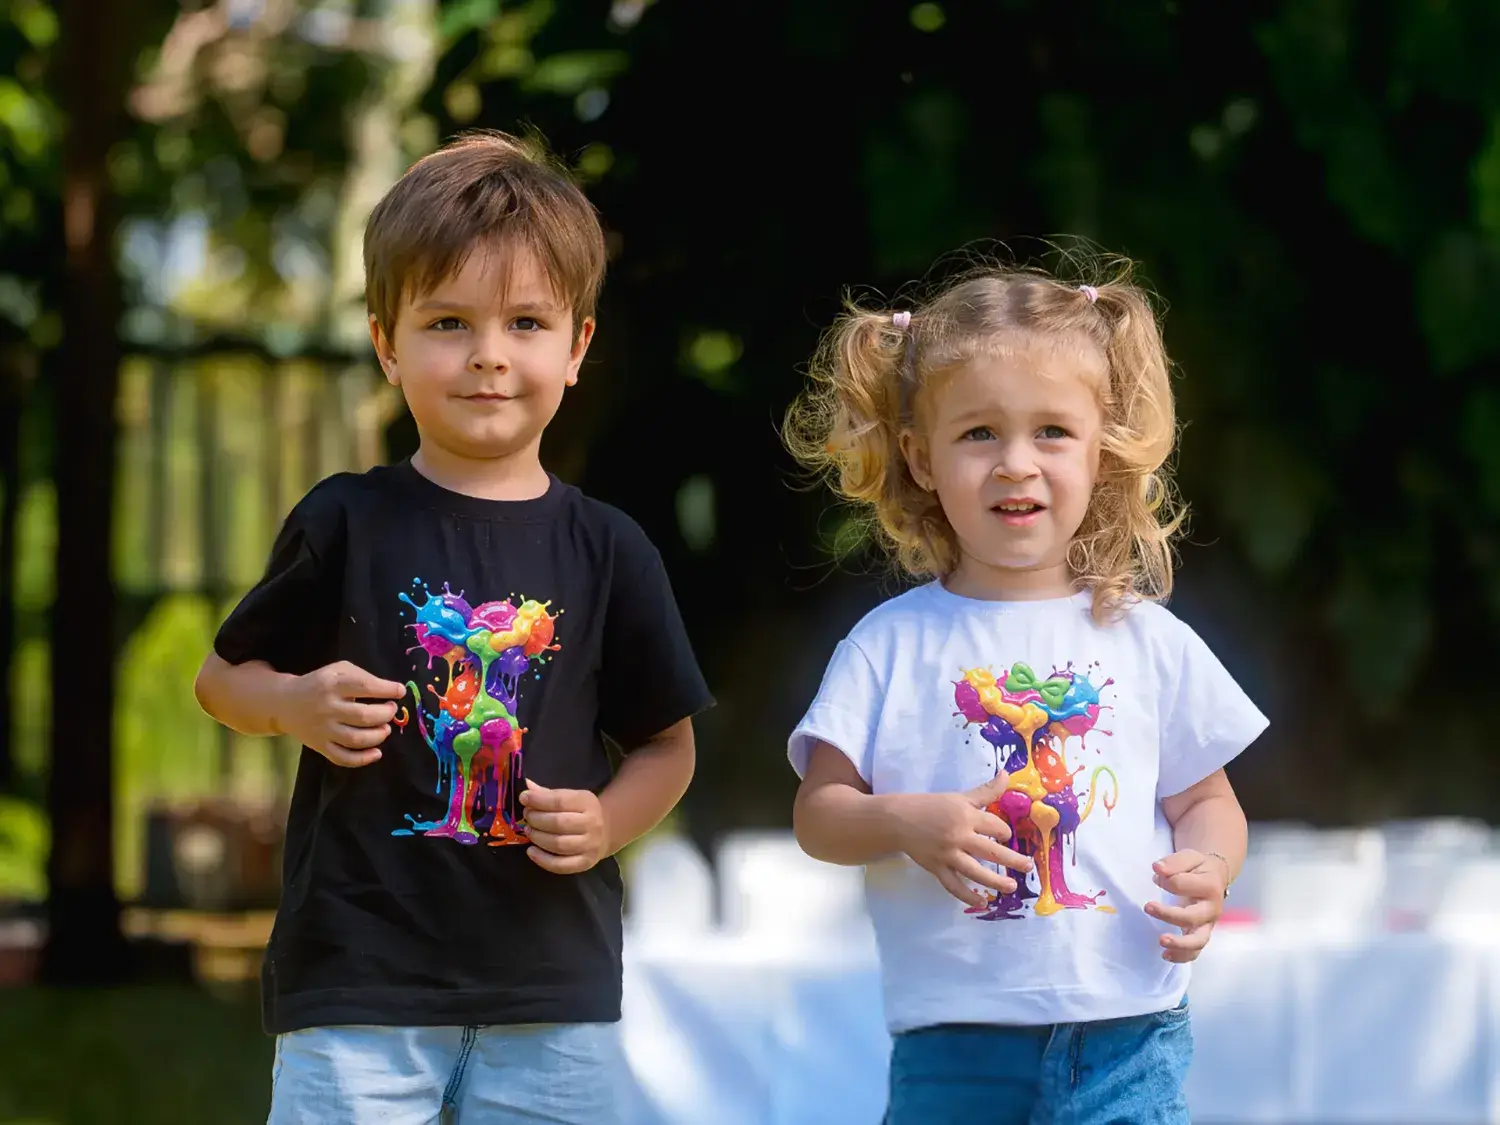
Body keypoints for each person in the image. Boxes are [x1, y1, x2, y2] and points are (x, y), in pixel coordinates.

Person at [194, 130, 713, 1125]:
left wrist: (610, 822)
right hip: (358, 989)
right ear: (387, 343)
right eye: (446, 322)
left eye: (525, 322)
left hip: (553, 995)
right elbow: (223, 680)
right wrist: (294, 704)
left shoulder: (610, 550)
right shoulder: (345, 521)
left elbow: (667, 745)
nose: (487, 354)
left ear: (577, 348)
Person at [783, 256, 1267, 1124]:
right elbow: (820, 813)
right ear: (920, 458)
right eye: (978, 434)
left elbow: (1208, 800)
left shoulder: (1147, 638)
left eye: (1052, 431)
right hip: (954, 1044)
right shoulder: (887, 647)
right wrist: (904, 819)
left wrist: (1211, 867)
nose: (1016, 463)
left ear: (1101, 448)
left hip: (1129, 1036)